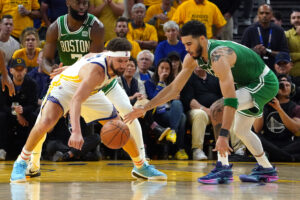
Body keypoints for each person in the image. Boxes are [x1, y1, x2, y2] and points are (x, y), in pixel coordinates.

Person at [124, 20, 279, 184]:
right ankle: (267, 169)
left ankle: (223, 168)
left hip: (263, 82)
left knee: (217, 108)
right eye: (184, 44)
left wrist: (224, 135)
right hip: (244, 83)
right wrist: (146, 108)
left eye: (189, 44)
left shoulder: (219, 56)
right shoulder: (191, 57)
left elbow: (231, 99)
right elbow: (174, 88)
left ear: (203, 40)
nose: (186, 49)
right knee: (241, 130)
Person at [10, 38, 167, 182]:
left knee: (120, 127)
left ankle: (140, 166)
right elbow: (76, 99)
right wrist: (76, 132)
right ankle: (21, 162)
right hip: (65, 88)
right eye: (120, 61)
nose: (123, 66)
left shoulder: (108, 56)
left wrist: (72, 67)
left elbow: (88, 56)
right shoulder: (97, 72)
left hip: (90, 91)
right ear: (110, 57)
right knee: (46, 122)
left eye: (126, 61)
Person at [25, 0, 105, 177]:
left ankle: (140, 162)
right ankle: (32, 162)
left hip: (88, 82)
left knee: (117, 120)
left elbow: (94, 62)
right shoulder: (56, 27)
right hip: (65, 82)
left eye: (86, 3)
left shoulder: (96, 26)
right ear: (68, 2)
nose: (83, 7)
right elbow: (45, 60)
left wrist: (70, 69)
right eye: (79, 3)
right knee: (43, 122)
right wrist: (51, 70)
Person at [253, 74, 300, 162]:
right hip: (268, 143)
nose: (284, 87)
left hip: (287, 144)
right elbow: (257, 129)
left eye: (287, 85)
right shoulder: (265, 104)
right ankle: (288, 157)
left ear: (292, 89)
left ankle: (273, 156)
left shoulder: (295, 107)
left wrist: (279, 108)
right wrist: (261, 104)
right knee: (253, 135)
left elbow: (295, 129)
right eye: (281, 85)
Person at [0, 58, 38, 160]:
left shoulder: (32, 84)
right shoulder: (3, 82)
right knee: (1, 116)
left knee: (34, 117)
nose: (19, 72)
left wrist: (23, 110)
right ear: (11, 70)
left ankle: (31, 150)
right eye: (17, 69)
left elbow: (34, 104)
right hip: (8, 113)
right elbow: (2, 105)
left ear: (26, 70)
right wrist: (17, 115)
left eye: (21, 69)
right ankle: (2, 149)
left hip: (25, 114)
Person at [240, 4, 289, 71]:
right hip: (254, 67)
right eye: (261, 13)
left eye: (267, 13)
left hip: (274, 68)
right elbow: (242, 52)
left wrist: (268, 51)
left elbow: (285, 53)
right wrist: (254, 51)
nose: (264, 15)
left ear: (271, 15)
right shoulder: (249, 30)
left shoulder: (279, 30)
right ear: (258, 14)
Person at [285, 9, 300, 78]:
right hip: (293, 75)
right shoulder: (286, 34)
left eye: (299, 17)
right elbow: (286, 55)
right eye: (293, 18)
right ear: (290, 20)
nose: (296, 20)